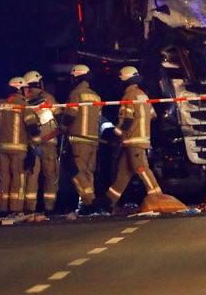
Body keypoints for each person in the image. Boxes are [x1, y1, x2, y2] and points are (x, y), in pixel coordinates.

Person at [97, 66, 162, 213]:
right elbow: (153, 115)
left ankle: (159, 199)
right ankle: (108, 202)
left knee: (142, 169)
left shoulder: (128, 96)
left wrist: (115, 134)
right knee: (123, 173)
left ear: (125, 79)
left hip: (133, 141)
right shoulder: (143, 95)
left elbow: (126, 120)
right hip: (140, 139)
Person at [61, 65, 102, 215]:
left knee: (76, 172)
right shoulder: (96, 96)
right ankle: (88, 203)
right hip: (93, 140)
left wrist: (63, 128)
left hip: (78, 139)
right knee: (88, 173)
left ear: (76, 78)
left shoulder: (75, 94)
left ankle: (89, 200)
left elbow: (71, 114)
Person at [0, 77, 35, 218]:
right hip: (19, 149)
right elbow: (32, 127)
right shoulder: (24, 104)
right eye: (25, 88)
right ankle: (16, 208)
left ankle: (3, 207)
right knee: (18, 178)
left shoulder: (1, 105)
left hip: (2, 148)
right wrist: (35, 144)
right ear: (20, 89)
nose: (27, 91)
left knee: (4, 178)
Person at [23, 70, 60, 216]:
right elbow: (58, 115)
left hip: (32, 144)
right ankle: (48, 207)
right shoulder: (48, 99)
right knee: (50, 175)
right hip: (49, 143)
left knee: (32, 175)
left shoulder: (24, 101)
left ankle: (30, 207)